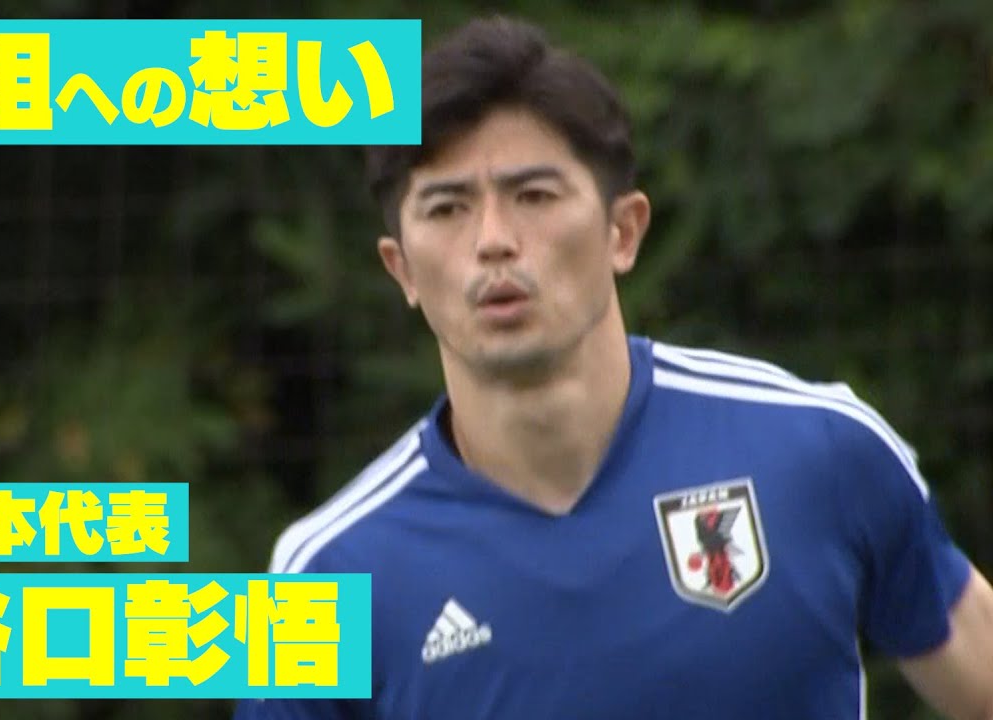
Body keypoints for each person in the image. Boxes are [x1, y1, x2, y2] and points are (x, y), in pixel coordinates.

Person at [232, 13, 993, 720]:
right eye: (447, 208)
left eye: (533, 194)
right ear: (400, 269)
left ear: (622, 232)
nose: (493, 240)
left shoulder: (819, 449)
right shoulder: (322, 578)